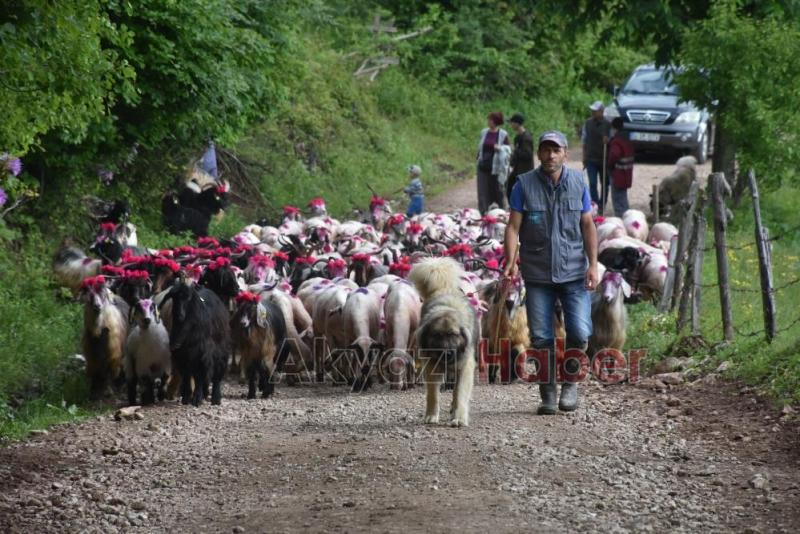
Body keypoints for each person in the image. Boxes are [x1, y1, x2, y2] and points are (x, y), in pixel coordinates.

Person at [503, 130, 599, 415]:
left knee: (580, 333)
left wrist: (593, 263)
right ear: (539, 154)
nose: (550, 155)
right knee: (542, 337)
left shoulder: (579, 183)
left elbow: (588, 225)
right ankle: (548, 393)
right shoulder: (524, 185)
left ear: (565, 154)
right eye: (545, 150)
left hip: (573, 272)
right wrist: (510, 260)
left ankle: (570, 383)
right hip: (537, 273)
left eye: (556, 150)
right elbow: (513, 227)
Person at [476, 111, 510, 214]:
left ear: (495, 122)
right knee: (482, 190)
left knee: (498, 190)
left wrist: (499, 148)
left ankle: (502, 212)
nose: (488, 121)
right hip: (483, 165)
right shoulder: (484, 132)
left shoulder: (503, 134)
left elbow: (508, 150)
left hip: (497, 167)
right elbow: (480, 147)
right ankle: (483, 212)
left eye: (490, 119)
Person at [581, 101, 611, 209]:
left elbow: (612, 139)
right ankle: (595, 204)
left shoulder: (608, 124)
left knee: (605, 184)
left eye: (595, 110)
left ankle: (602, 204)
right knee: (592, 183)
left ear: (601, 111)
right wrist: (584, 157)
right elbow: (584, 140)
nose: (593, 112)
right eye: (592, 110)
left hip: (604, 159)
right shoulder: (587, 123)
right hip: (591, 158)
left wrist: (608, 140)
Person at [606, 117, 634, 217]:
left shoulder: (617, 141)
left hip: (618, 173)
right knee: (623, 197)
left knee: (617, 198)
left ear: (614, 128)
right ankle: (627, 216)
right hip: (627, 173)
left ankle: (621, 218)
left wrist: (609, 165)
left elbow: (614, 155)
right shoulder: (627, 139)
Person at [507, 113, 535, 203]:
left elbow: (528, 154)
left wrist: (515, 150)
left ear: (517, 124)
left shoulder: (526, 137)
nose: (511, 125)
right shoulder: (518, 137)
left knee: (523, 193)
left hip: (525, 170)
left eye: (512, 122)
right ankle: (514, 209)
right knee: (510, 188)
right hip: (517, 169)